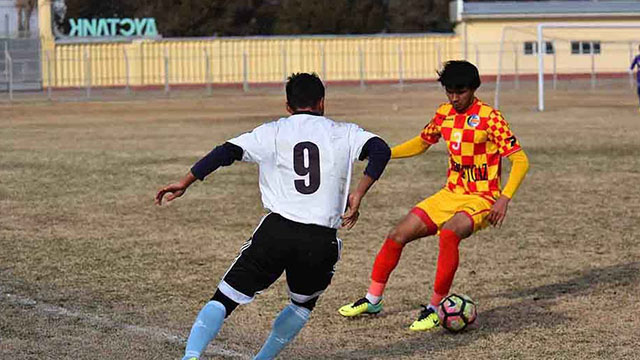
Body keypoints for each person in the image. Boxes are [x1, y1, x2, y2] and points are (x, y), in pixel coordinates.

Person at [155, 73, 391, 360]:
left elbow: (225, 152)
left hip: (277, 232)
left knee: (225, 298)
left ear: (288, 106)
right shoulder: (344, 132)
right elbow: (381, 149)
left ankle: (191, 357)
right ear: (321, 102)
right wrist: (359, 194)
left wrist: (185, 181)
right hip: (320, 239)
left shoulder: (273, 131)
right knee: (302, 305)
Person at [338, 60, 530, 331]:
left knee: (450, 234)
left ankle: (434, 307)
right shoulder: (444, 114)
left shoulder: (490, 117)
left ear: (474, 88)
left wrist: (504, 197)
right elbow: (421, 143)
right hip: (450, 194)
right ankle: (373, 299)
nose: (454, 98)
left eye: (460, 92)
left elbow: (520, 160)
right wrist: (387, 153)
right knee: (397, 235)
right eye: (449, 92)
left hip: (482, 197)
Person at [630, 45, 640, 109]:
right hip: (639, 76)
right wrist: (630, 69)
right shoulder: (637, 57)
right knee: (639, 90)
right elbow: (632, 65)